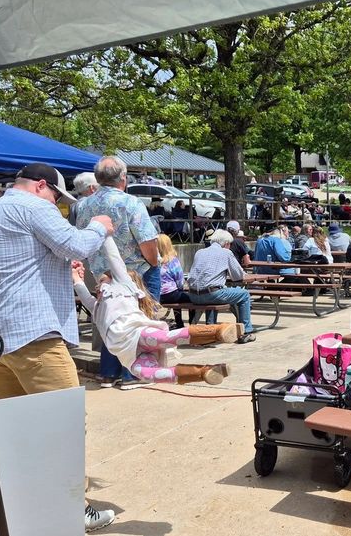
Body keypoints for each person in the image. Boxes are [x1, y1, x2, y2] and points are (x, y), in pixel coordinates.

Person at [0, 162, 116, 533]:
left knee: (21, 424)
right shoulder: (34, 207)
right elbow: (77, 243)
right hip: (32, 335)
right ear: (41, 186)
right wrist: (100, 226)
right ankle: (72, 509)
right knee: (63, 422)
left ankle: (29, 502)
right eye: (56, 198)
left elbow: (18, 264)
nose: (57, 205)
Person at [72, 240, 234, 385]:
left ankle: (219, 331)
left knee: (166, 338)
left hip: (136, 333)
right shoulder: (97, 307)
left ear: (115, 280)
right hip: (128, 353)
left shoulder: (122, 288)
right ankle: (203, 373)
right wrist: (75, 276)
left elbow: (114, 259)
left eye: (102, 281)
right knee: (146, 374)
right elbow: (83, 293)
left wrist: (106, 235)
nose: (98, 285)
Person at [76, 156, 160, 389]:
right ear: (123, 177)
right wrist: (154, 263)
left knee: (110, 320)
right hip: (136, 272)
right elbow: (147, 241)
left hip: (102, 273)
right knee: (140, 320)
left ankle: (108, 373)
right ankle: (133, 374)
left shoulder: (83, 205)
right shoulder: (131, 202)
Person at [187, 229, 257, 342]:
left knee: (217, 291)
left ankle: (211, 327)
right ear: (226, 243)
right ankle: (246, 331)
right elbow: (238, 276)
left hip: (193, 295)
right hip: (211, 294)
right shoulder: (226, 253)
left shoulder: (200, 252)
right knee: (244, 294)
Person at [156, 233, 192, 328]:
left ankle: (179, 323)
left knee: (177, 294)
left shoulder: (153, 261)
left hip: (157, 295)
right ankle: (191, 323)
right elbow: (179, 280)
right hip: (170, 294)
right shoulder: (172, 261)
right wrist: (181, 287)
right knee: (192, 298)